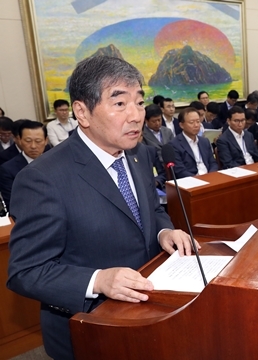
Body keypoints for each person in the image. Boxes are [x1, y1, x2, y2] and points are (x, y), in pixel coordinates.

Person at [7, 56, 196, 360]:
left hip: (148, 312)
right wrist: (98, 280)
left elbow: (150, 209)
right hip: (91, 328)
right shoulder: (42, 178)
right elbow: (26, 272)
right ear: (82, 112)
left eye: (139, 101)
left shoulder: (139, 154)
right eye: (120, 104)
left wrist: (164, 231)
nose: (136, 116)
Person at [0, 120, 47, 211]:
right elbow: (12, 204)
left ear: (46, 141)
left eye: (38, 141)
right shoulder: (7, 169)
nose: (33, 146)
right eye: (28, 141)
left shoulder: (56, 162)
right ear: (20, 140)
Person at [169, 107, 218, 178]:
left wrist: (211, 176)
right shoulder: (174, 145)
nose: (196, 125)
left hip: (209, 178)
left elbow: (213, 163)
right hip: (191, 181)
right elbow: (180, 171)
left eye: (198, 121)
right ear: (181, 125)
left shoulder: (204, 141)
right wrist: (198, 180)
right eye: (192, 122)